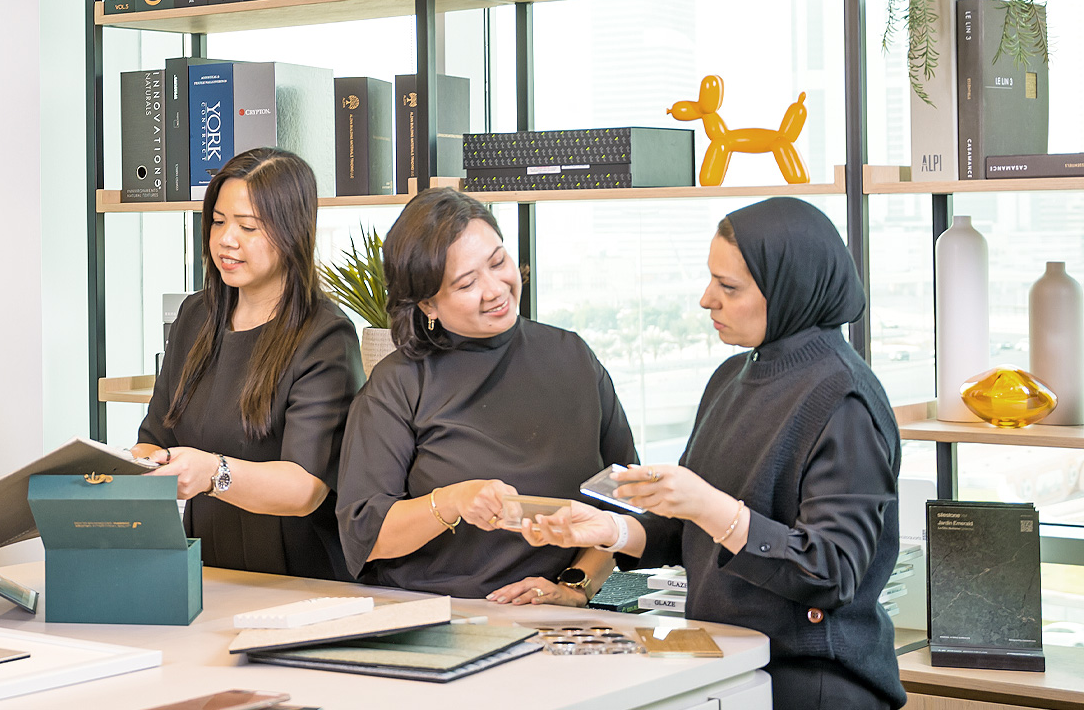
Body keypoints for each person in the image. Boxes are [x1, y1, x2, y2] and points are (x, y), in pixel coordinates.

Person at [522, 198, 904, 709]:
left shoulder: (843, 398)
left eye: (729, 288)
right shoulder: (731, 377)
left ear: (789, 289)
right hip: (729, 663)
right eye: (711, 280)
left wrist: (705, 502)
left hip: (811, 682)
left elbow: (829, 570)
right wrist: (613, 531)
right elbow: (691, 533)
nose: (707, 300)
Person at [335, 187, 638, 605]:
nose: (495, 289)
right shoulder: (399, 383)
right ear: (428, 304)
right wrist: (454, 500)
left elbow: (621, 501)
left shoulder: (572, 356)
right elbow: (366, 535)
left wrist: (575, 587)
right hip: (433, 617)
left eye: (498, 262)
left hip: (553, 619)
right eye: (466, 283)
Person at [130, 147, 362, 580]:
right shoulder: (194, 317)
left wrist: (212, 473)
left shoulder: (325, 335)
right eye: (218, 222)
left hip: (297, 577)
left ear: (293, 231)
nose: (226, 240)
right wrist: (141, 465)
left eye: (248, 226)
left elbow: (305, 488)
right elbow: (155, 436)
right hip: (206, 568)